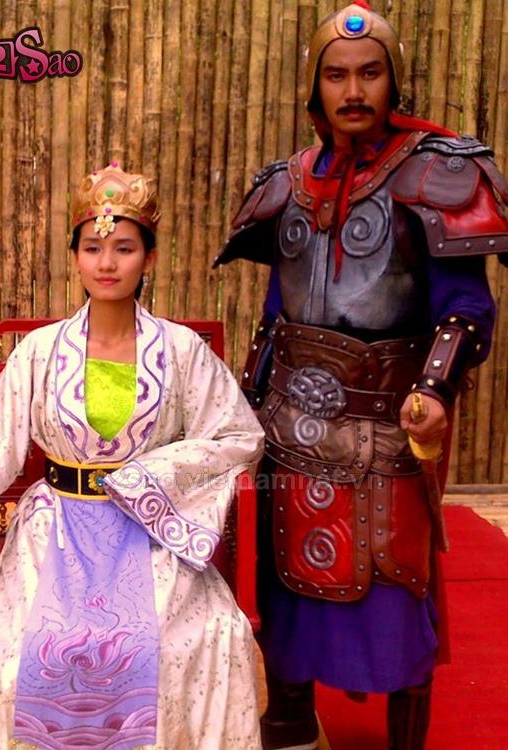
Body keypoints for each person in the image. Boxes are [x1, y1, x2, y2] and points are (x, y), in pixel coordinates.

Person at [213, 2, 508, 749]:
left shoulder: (440, 172)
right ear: (315, 88)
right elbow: (276, 312)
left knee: (396, 587)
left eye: (369, 73)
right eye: (337, 75)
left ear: (393, 80)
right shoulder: (287, 182)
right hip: (290, 421)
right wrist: (246, 402)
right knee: (283, 583)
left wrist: (434, 388)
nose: (353, 90)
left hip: (388, 420)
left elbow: (467, 307)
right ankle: (288, 720)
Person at [0, 163, 264, 750]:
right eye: (93, 248)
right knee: (11, 649)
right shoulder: (40, 352)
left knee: (184, 643)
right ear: (75, 258)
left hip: (149, 530)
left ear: (149, 259)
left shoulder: (180, 349)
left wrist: (153, 475)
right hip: (54, 527)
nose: (107, 263)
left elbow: (236, 435)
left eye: (124, 248)